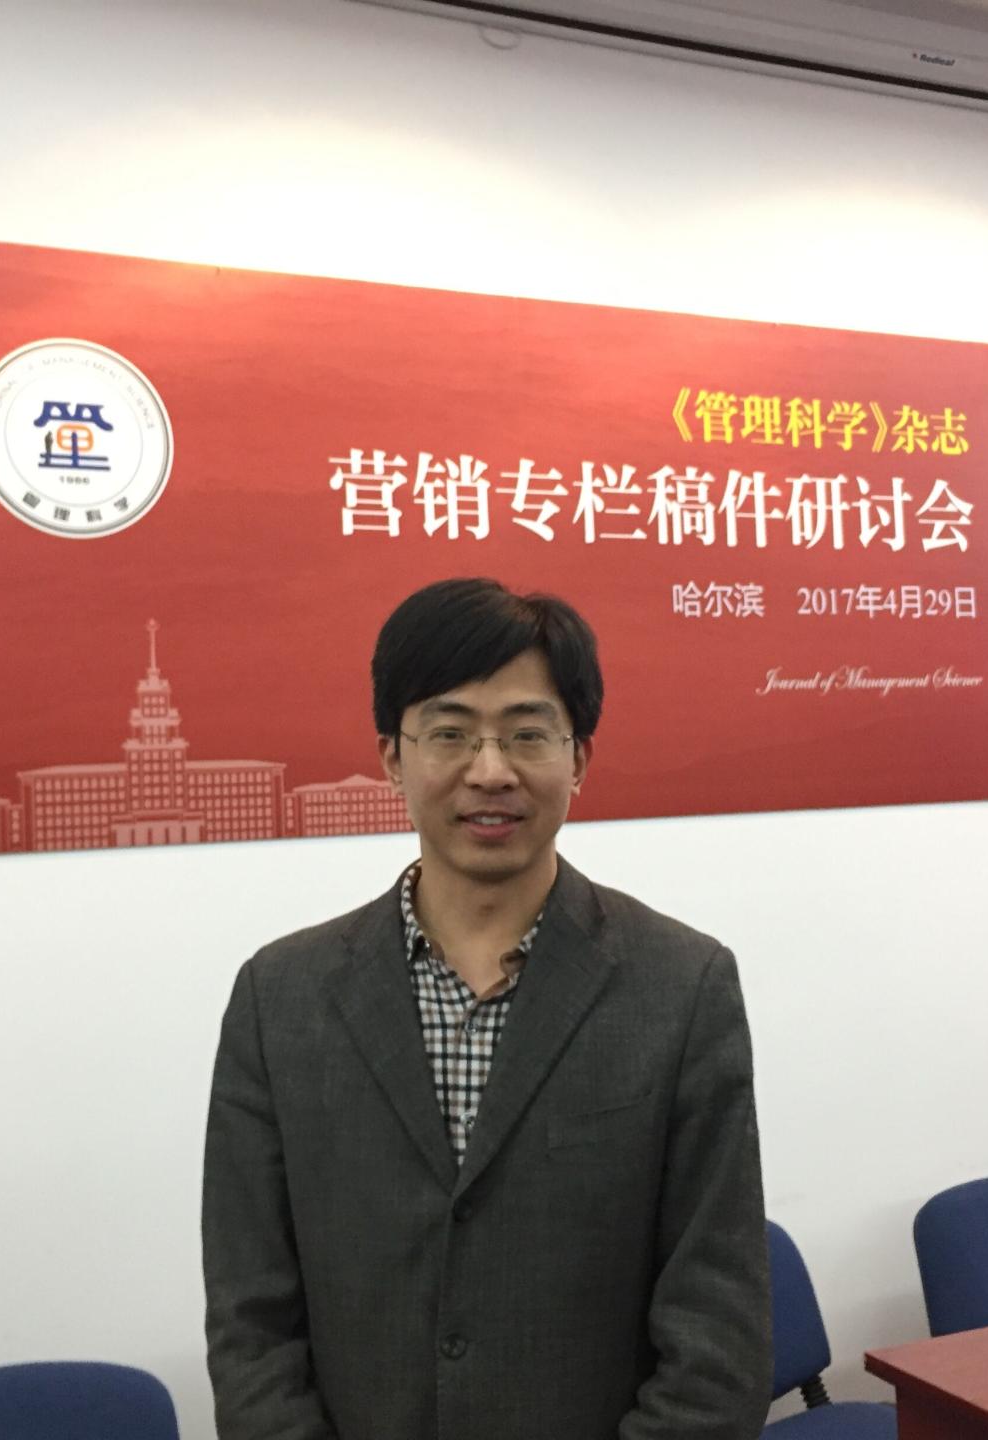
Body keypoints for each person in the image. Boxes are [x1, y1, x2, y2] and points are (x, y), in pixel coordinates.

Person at [201, 577, 769, 1440]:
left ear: (579, 758)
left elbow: (717, 1329)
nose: (491, 770)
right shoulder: (279, 998)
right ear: (393, 756)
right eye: (450, 732)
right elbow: (251, 1322)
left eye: (528, 733)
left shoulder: (681, 986)